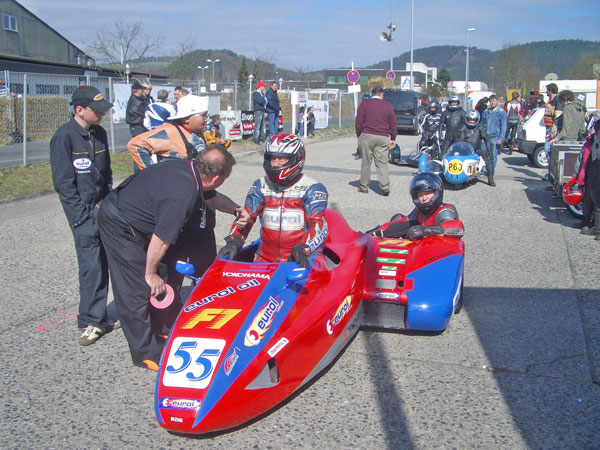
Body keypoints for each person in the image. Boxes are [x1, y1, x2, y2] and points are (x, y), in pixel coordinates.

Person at [98, 147, 241, 370]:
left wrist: (237, 210)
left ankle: (162, 328)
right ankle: (146, 353)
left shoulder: (192, 171)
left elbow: (211, 197)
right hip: (120, 223)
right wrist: (150, 273)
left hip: (140, 216)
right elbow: (162, 240)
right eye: (224, 177)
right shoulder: (182, 195)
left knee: (164, 276)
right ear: (214, 177)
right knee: (135, 288)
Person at [50, 86, 117, 346]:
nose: (102, 116)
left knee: (112, 261)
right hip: (83, 213)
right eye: (96, 111)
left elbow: (107, 172)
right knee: (92, 268)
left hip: (104, 207)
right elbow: (64, 185)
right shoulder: (64, 137)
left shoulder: (99, 133)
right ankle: (92, 321)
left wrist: (109, 203)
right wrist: (80, 218)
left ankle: (112, 313)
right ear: (79, 110)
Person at [217, 133, 328, 268]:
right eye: (271, 158)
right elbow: (248, 217)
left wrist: (304, 248)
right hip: (264, 259)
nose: (275, 164)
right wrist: (234, 240)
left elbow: (317, 224)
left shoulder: (312, 188)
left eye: (281, 159)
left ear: (297, 158)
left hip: (301, 258)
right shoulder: (260, 185)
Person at [366, 172, 464, 240]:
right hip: (421, 248)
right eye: (420, 195)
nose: (424, 198)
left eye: (428, 193)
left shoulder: (445, 211)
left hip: (440, 254)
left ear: (437, 193)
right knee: (397, 218)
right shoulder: (418, 211)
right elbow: (402, 223)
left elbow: (458, 228)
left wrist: (425, 230)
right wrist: (375, 232)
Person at [355, 86, 397, 196]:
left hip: (367, 135)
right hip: (383, 136)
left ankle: (364, 187)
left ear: (372, 93)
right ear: (381, 94)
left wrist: (359, 134)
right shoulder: (388, 106)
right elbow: (393, 123)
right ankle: (385, 187)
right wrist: (393, 137)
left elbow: (359, 120)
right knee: (382, 163)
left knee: (366, 162)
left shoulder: (365, 104)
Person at [574, 120, 600, 238]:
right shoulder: (591, 140)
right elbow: (584, 157)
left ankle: (597, 227)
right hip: (591, 170)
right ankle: (586, 220)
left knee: (597, 199)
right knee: (588, 197)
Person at [459, 110, 495, 186]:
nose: (471, 121)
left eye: (473, 120)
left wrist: (489, 150)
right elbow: (460, 141)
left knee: (488, 160)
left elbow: (487, 139)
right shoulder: (463, 127)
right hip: (466, 150)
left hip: (478, 149)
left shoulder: (480, 127)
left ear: (477, 120)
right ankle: (460, 179)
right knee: (459, 161)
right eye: (470, 120)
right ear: (467, 119)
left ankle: (490, 178)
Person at [481, 94, 507, 168]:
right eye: (491, 101)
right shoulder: (486, 112)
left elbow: (503, 126)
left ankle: (491, 172)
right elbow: (482, 124)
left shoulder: (501, 112)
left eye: (494, 101)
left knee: (493, 156)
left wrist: (501, 139)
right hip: (485, 137)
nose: (492, 103)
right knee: (483, 155)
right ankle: (482, 170)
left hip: (495, 137)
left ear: (497, 101)